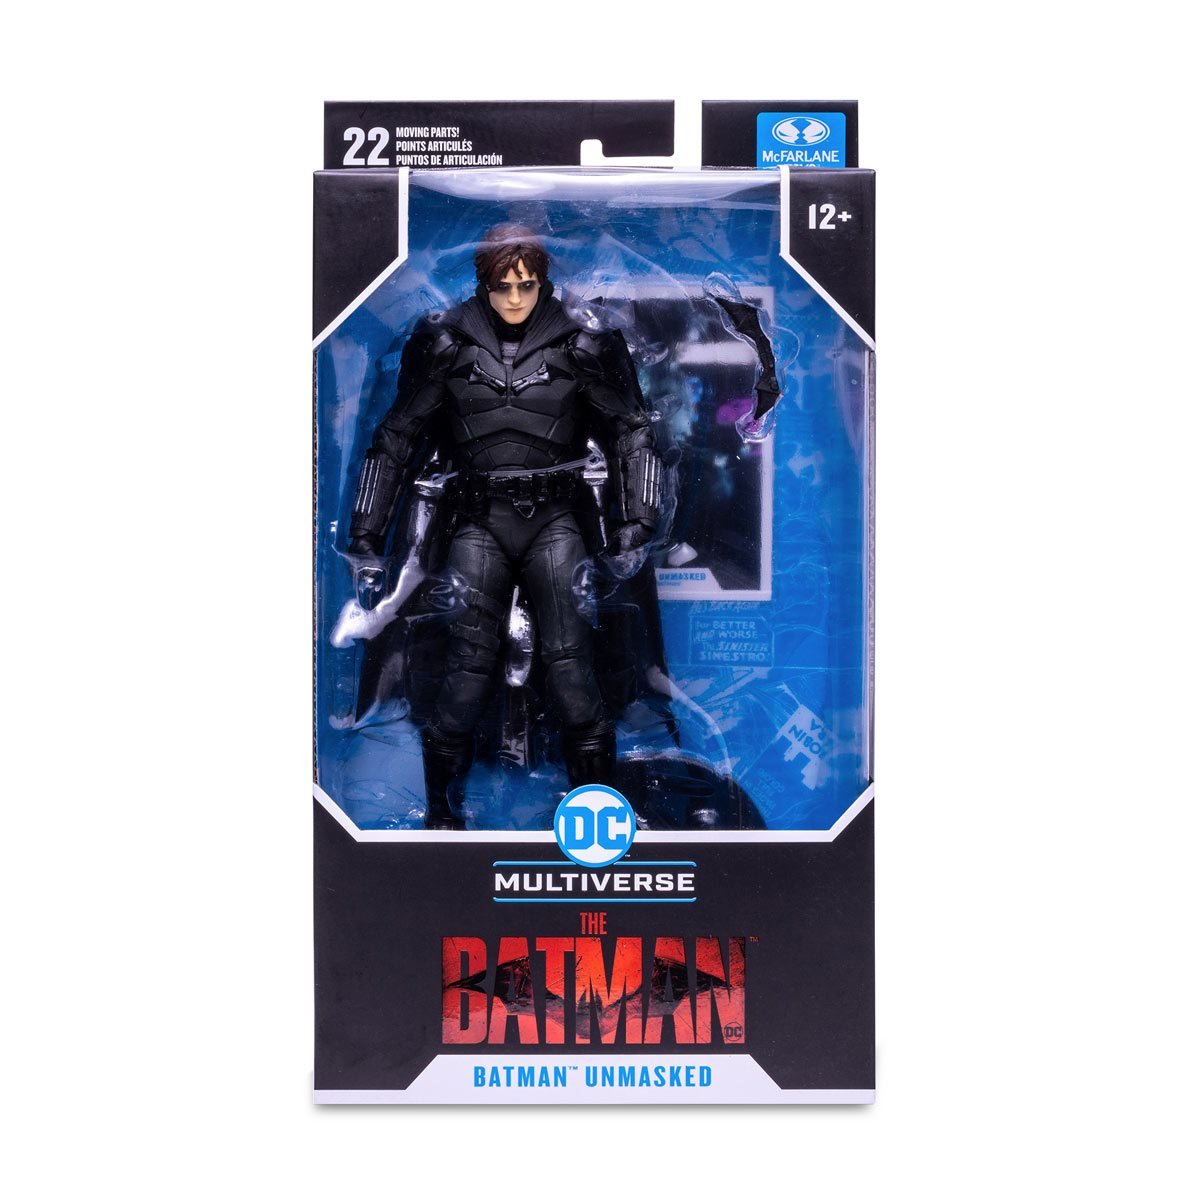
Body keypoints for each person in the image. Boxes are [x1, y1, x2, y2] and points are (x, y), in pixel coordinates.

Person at [347, 225, 663, 828]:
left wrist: (638, 518)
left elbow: (632, 428)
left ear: (543, 282)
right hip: (477, 519)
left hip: (557, 520)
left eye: (527, 285)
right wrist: (367, 532)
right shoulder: (445, 344)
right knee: (465, 671)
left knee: (572, 668)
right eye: (502, 286)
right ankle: (442, 816)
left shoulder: (583, 343)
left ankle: (597, 816)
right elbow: (397, 436)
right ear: (483, 284)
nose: (515, 298)